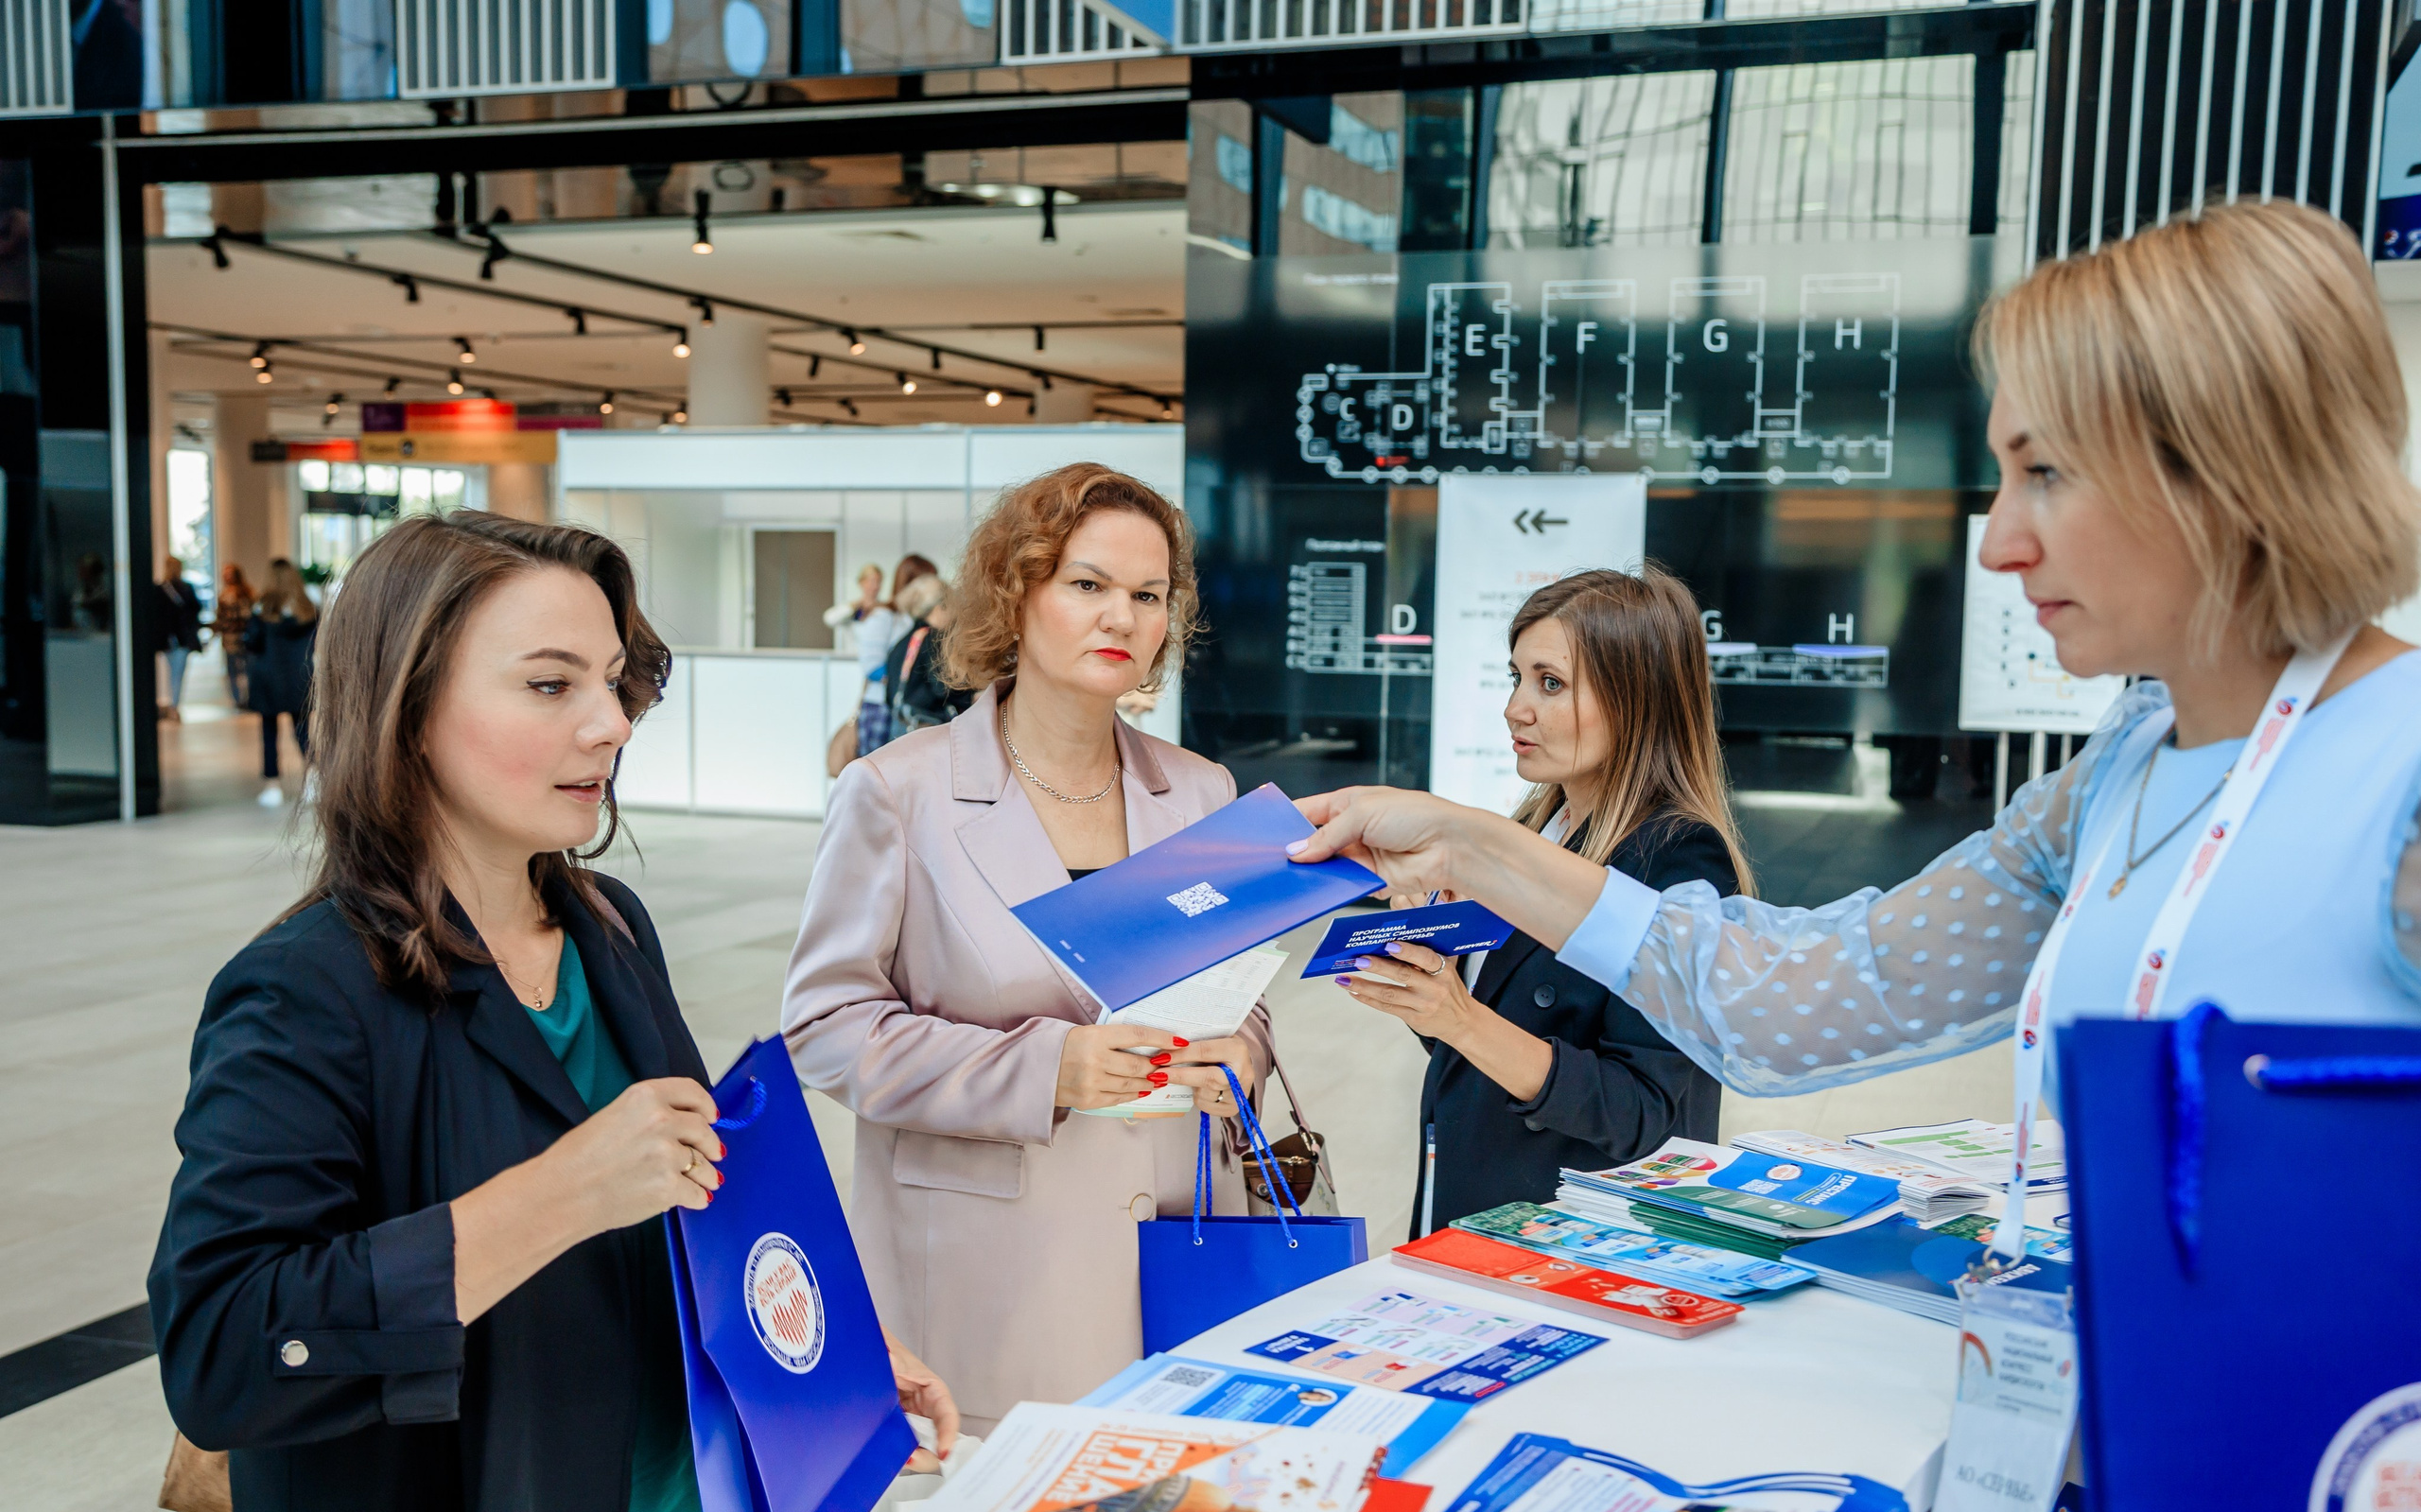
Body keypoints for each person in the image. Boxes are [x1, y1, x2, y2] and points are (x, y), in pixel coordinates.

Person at [1289, 199, 2421, 1108]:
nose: (2003, 546)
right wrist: (1464, 843)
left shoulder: (2400, 773)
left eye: (2048, 473)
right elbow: (1799, 998)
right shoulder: (2120, 771)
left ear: (2224, 471)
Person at [149, 509, 957, 1512]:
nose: (610, 726)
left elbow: (686, 1214)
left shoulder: (605, 924)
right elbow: (224, 1354)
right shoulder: (305, 990)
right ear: (408, 707)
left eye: (616, 684)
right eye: (549, 686)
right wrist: (558, 1195)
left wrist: (825, 1351)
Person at [783, 463, 1275, 1430]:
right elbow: (825, 1028)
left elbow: (1240, 990)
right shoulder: (898, 791)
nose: (1122, 619)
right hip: (985, 1268)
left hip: (1179, 1240)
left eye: (1147, 596)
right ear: (1017, 593)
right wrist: (1048, 1066)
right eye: (1087, 586)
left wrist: (1244, 1052)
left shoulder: (1202, 793)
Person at [1336, 568, 1750, 1236]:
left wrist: (1463, 1018)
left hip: (1582, 1240)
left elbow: (1643, 1114)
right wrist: (1429, 977)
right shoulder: (1537, 830)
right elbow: (1469, 1045)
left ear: (1634, 698)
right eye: (1517, 677)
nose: (1515, 707)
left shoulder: (1678, 861)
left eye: (1550, 683)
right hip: (1475, 1203)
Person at [827, 554, 939, 759]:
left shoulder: (914, 620)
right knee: (875, 780)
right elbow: (871, 666)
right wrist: (903, 679)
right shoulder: (883, 616)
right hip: (880, 706)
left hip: (902, 710)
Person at [246, 558, 318, 808]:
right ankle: (312, 780)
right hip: (299, 677)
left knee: (268, 734)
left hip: (268, 677)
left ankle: (272, 786)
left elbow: (252, 642)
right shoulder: (308, 609)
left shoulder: (262, 610)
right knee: (303, 732)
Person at [882, 573, 972, 735]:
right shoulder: (934, 640)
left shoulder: (901, 644)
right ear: (941, 607)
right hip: (927, 732)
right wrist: (971, 696)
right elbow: (942, 687)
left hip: (901, 730)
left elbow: (890, 696)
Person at [155, 555, 204, 720]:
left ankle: (173, 705)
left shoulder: (161, 589)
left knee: (172, 673)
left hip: (170, 637)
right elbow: (196, 610)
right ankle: (174, 705)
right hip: (181, 637)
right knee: (177, 673)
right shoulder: (185, 589)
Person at [215, 564, 257, 708]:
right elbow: (221, 618)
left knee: (248, 668)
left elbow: (251, 615)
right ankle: (239, 699)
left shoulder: (248, 593)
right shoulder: (224, 595)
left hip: (246, 636)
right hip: (230, 638)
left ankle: (249, 697)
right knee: (233, 669)